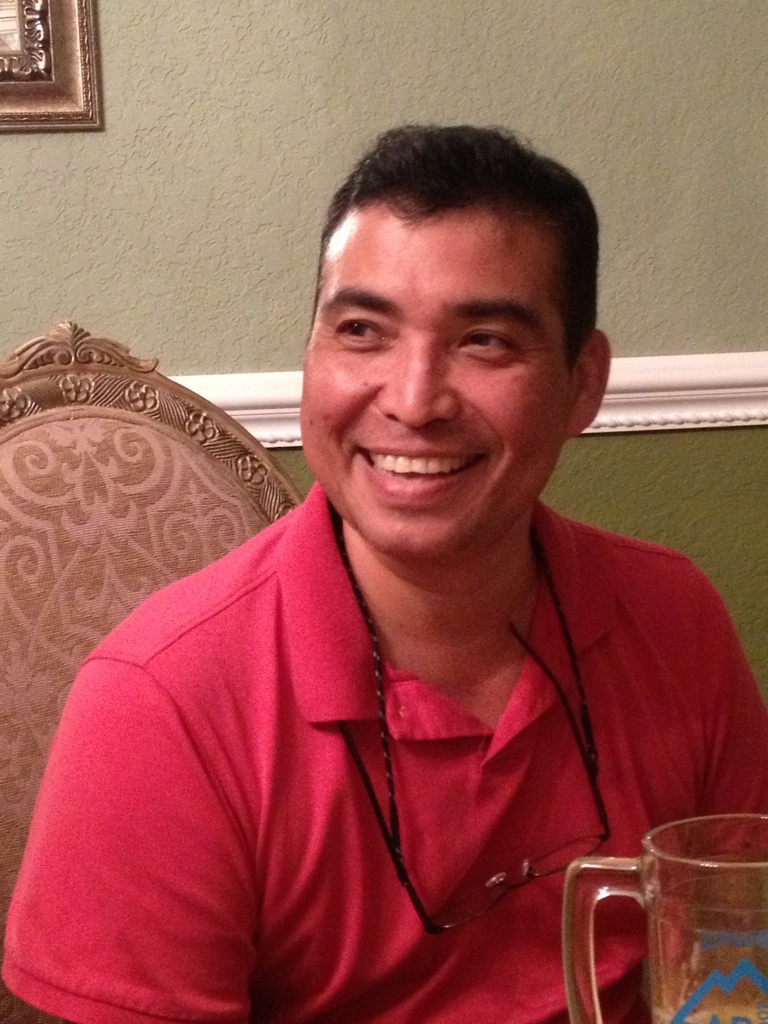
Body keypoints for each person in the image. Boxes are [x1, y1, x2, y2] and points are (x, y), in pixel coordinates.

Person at [4, 125, 768, 1024]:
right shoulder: (160, 703)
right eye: (362, 331)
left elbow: (740, 957)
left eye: (485, 341)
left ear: (583, 383)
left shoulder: (673, 615)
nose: (412, 400)